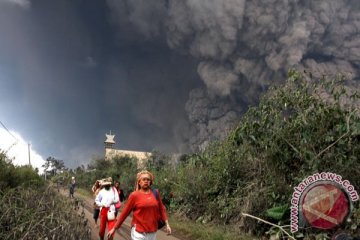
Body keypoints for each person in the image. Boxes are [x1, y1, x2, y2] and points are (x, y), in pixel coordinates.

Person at [107, 170, 171, 240]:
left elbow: (162, 208)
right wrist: (114, 228)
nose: (146, 181)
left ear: (150, 182)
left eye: (148, 179)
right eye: (143, 179)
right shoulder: (134, 195)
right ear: (139, 182)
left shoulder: (155, 193)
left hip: (152, 232)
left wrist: (167, 224)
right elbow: (124, 213)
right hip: (138, 232)